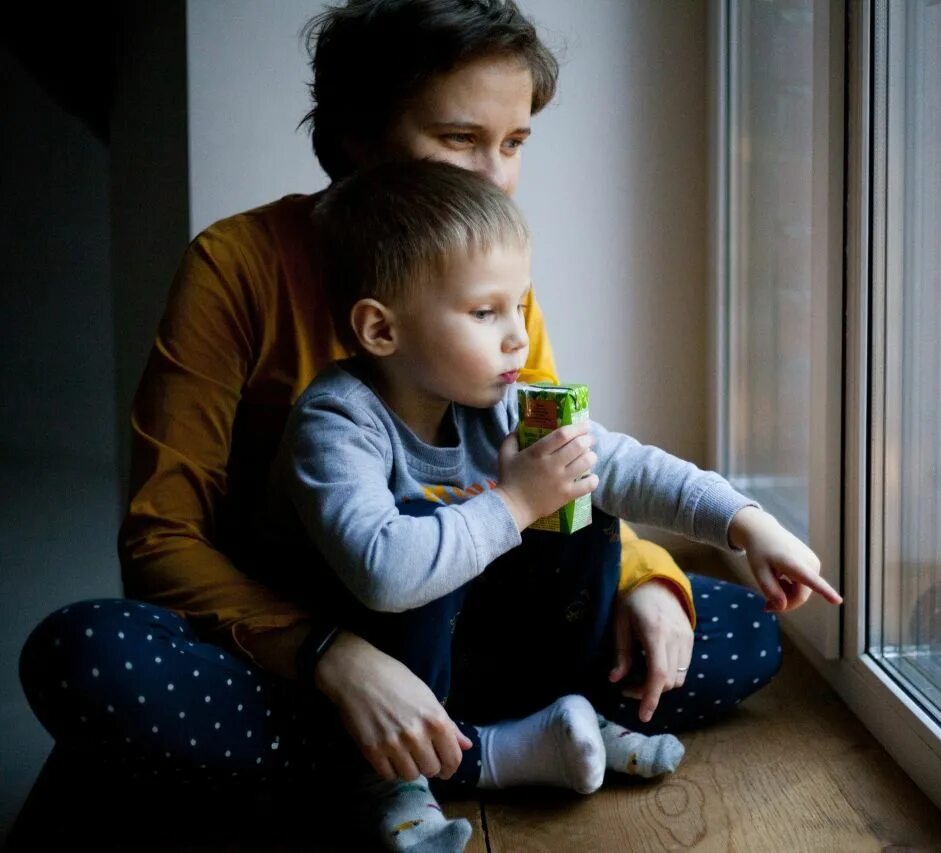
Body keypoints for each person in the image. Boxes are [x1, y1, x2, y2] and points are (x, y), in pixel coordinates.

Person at [19, 0, 808, 823]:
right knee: (86, 657)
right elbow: (162, 539)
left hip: (467, 606)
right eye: (460, 139)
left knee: (733, 628)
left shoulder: (490, 287)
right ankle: (460, 745)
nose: (493, 179)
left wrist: (646, 578)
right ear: (358, 136)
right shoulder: (236, 268)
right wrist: (331, 656)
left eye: (513, 145)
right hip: (299, 628)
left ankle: (420, 749)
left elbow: (559, 466)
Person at [272, 158, 840, 849]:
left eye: (519, 304)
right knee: (430, 530)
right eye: (485, 312)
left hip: (486, 655)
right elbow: (385, 572)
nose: (517, 334)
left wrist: (747, 524)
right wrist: (513, 500)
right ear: (381, 330)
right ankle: (406, 772)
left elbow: (626, 463)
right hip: (387, 682)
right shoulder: (337, 422)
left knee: (590, 494)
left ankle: (563, 717)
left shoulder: (503, 404)